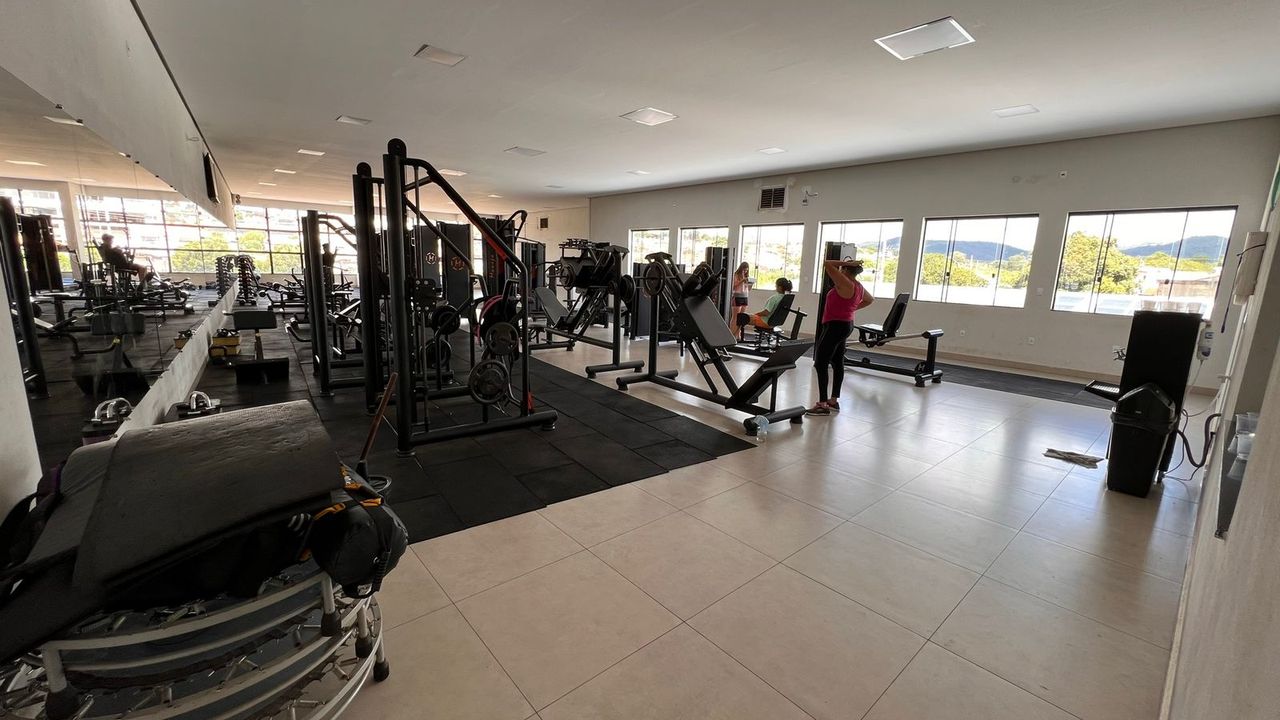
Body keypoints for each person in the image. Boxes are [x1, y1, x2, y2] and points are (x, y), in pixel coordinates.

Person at [808, 259, 873, 415]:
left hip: (835, 326)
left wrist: (849, 263)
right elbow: (870, 299)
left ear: (845, 270)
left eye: (843, 268)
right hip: (845, 324)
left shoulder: (845, 282)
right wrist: (850, 308)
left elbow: (827, 263)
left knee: (820, 363)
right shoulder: (857, 285)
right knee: (837, 362)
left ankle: (822, 404)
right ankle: (833, 400)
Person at [730, 262, 752, 335]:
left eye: (746, 270)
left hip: (745, 296)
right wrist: (742, 281)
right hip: (737, 296)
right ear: (741, 269)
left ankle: (738, 334)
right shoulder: (736, 275)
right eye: (744, 270)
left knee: (741, 317)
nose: (745, 272)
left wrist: (750, 284)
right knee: (735, 317)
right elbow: (733, 286)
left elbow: (748, 289)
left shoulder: (746, 276)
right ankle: (732, 334)